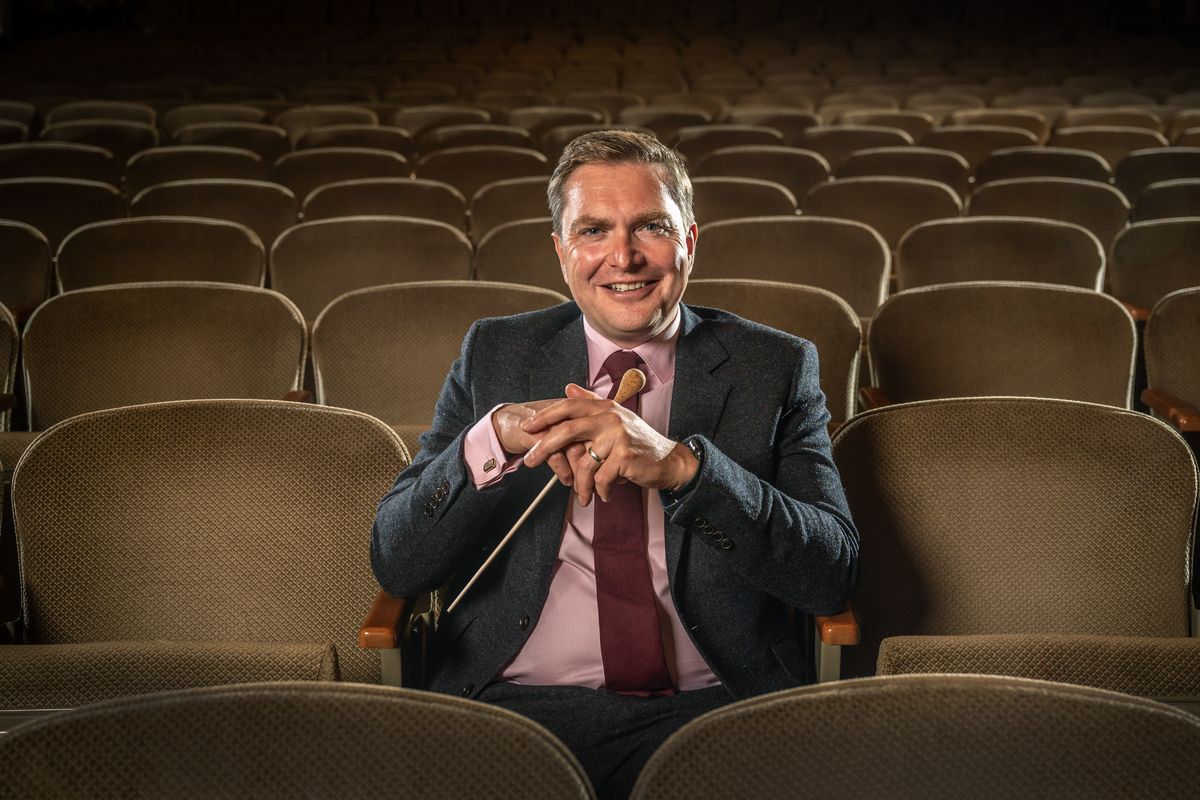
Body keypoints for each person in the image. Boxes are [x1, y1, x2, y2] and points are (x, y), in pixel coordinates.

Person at [372, 130, 859, 798]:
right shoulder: (496, 355)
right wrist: (492, 440)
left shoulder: (773, 365)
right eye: (593, 230)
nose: (623, 256)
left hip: (718, 705)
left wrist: (686, 469)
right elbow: (398, 562)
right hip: (513, 703)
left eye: (651, 227)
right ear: (562, 252)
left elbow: (830, 573)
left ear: (689, 241)